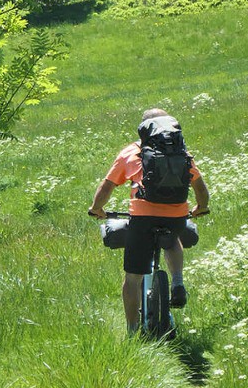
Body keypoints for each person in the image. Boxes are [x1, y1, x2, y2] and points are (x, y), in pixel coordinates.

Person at [89, 109, 210, 334]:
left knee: (133, 277)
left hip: (143, 217)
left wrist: (97, 208)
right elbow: (201, 188)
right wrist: (201, 208)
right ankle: (177, 282)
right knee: (173, 239)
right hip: (176, 215)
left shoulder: (131, 152)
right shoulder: (180, 152)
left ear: (144, 128)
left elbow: (107, 186)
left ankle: (132, 330)